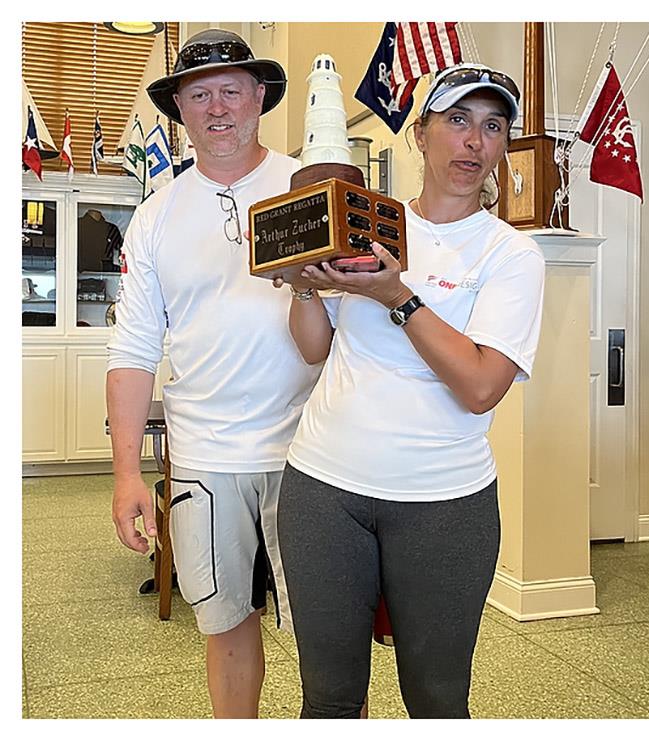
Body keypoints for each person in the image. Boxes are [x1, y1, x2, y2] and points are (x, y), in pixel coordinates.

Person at [275, 62, 546, 719]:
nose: (474, 141)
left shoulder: (511, 256)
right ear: (420, 134)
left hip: (445, 504)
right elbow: (314, 346)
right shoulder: (368, 223)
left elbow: (481, 385)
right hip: (323, 489)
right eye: (457, 120)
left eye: (492, 126)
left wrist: (398, 295)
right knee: (330, 700)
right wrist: (307, 283)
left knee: (438, 700)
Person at [106, 29, 322, 718]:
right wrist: (126, 475)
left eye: (232, 89)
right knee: (227, 627)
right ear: (180, 108)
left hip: (316, 454)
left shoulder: (308, 186)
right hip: (204, 458)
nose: (217, 106)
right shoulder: (155, 217)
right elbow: (134, 351)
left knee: (328, 638)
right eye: (200, 94)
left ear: (260, 96)